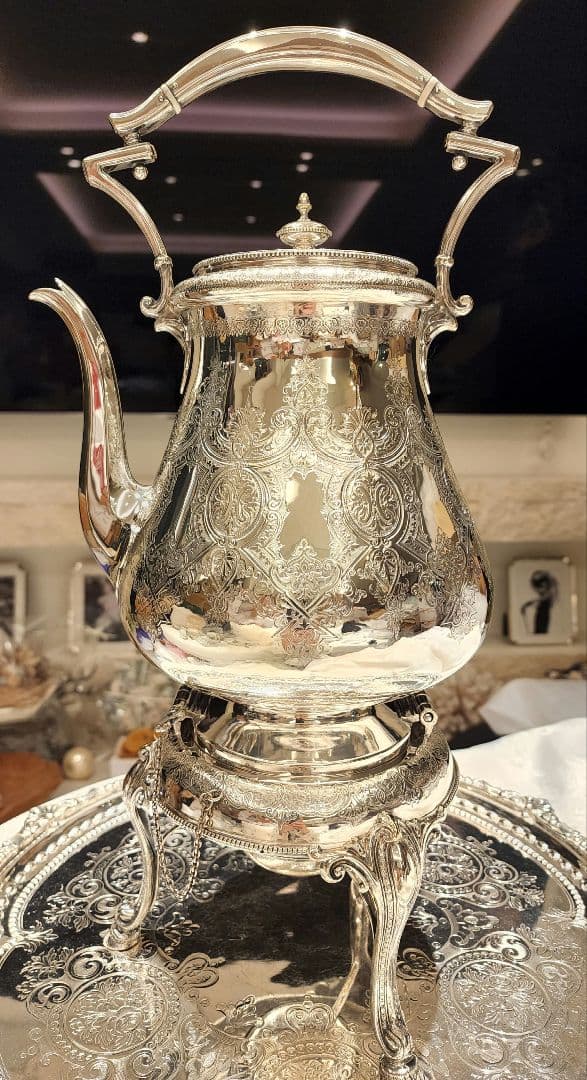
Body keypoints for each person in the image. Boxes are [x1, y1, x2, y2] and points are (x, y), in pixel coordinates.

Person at [521, 570, 558, 634]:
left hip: (543, 615)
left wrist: (527, 604)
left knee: (541, 631)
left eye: (542, 586)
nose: (539, 590)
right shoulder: (547, 594)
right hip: (540, 614)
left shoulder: (549, 594)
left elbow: (541, 599)